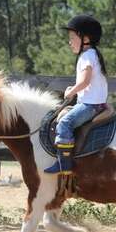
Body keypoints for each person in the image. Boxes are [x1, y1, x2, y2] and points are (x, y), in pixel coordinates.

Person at [44, 14, 108, 175]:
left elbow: (85, 81)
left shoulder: (87, 56)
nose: (69, 41)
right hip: (91, 102)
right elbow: (88, 83)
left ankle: (64, 163)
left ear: (85, 38)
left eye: (73, 37)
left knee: (65, 122)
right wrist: (73, 87)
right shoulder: (91, 54)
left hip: (90, 105)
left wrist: (72, 91)